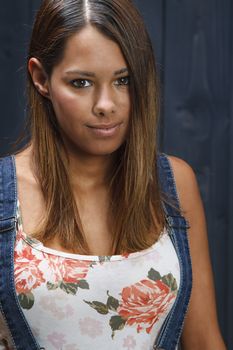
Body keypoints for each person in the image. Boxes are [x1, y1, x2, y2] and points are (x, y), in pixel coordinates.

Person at [0, 0, 226, 349]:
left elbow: (205, 341)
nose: (106, 104)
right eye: (81, 83)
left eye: (123, 80)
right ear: (41, 78)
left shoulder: (173, 185)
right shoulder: (5, 195)